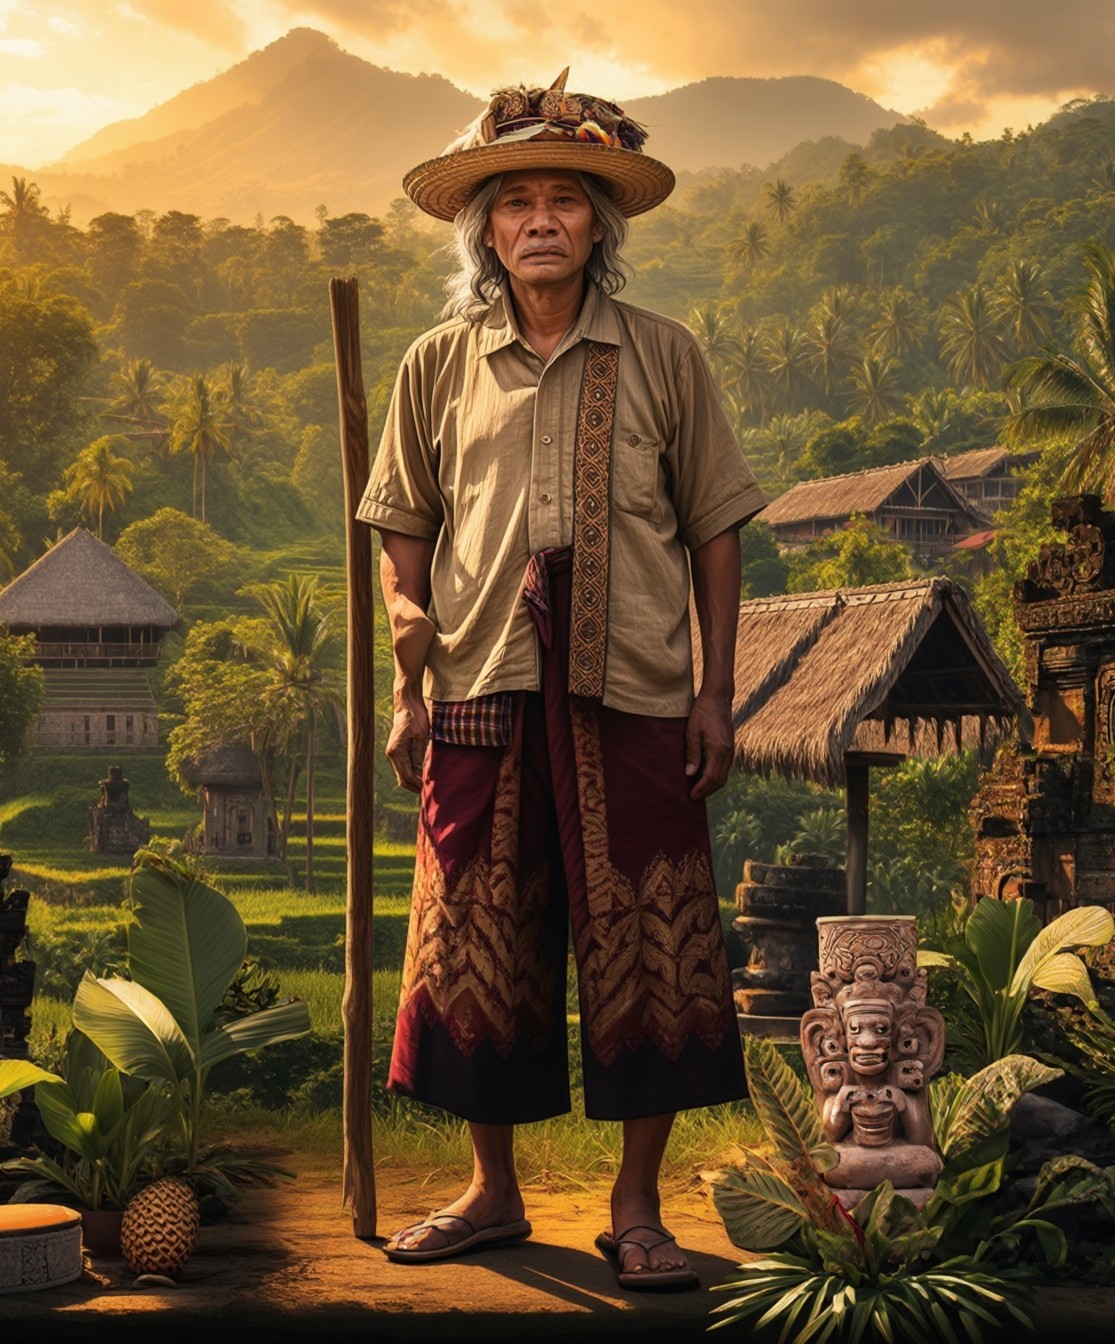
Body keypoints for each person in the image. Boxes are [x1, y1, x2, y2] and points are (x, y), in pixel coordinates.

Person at [355, 69, 766, 1291]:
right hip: (478, 675)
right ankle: (492, 1193)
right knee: (479, 938)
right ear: (485, 229)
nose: (540, 219)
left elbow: (715, 530)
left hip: (633, 682)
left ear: (601, 224)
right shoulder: (439, 364)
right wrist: (403, 663)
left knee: (653, 938)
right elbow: (401, 527)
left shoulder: (663, 356)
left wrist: (714, 690)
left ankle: (636, 1209)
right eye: (515, 201)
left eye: (565, 201)